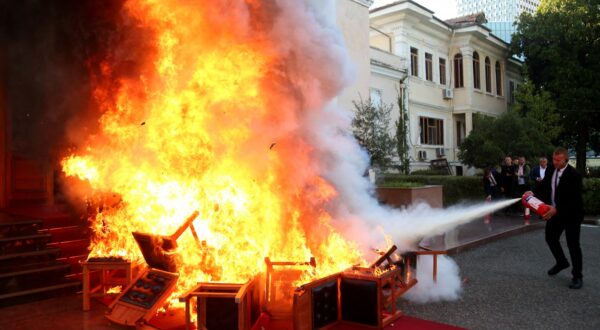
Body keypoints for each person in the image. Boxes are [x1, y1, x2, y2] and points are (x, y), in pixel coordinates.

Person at [525, 147, 584, 289]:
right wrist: (532, 192)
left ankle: (577, 276)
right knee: (550, 238)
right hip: (555, 212)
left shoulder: (574, 175)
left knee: (573, 244)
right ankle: (561, 262)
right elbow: (545, 185)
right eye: (553, 159)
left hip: (571, 214)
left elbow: (573, 200)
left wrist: (556, 209)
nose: (555, 162)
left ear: (566, 159)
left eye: (558, 160)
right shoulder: (551, 169)